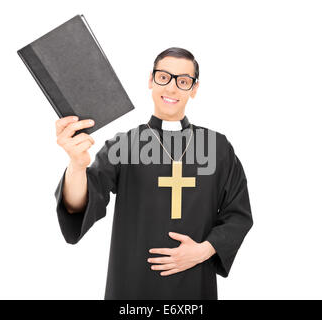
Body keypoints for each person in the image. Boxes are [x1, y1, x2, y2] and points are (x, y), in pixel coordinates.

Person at [54, 47, 253, 299]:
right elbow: (79, 204)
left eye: (183, 81)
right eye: (163, 77)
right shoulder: (123, 145)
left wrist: (205, 250)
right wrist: (77, 165)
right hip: (132, 286)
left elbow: (238, 214)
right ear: (151, 80)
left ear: (194, 89)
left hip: (194, 287)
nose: (171, 88)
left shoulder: (217, 148)